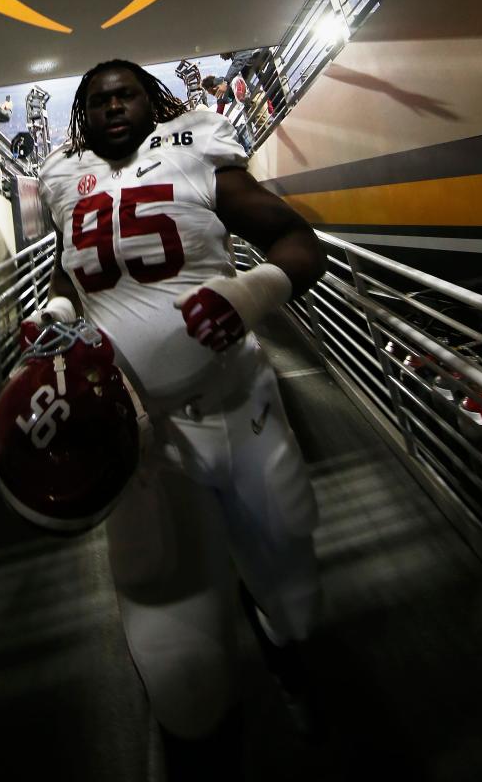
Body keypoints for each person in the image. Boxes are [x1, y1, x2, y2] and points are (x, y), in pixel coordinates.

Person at [37, 60, 326, 768]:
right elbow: (67, 271)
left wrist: (252, 292)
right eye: (98, 99)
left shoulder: (197, 148)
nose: (111, 106)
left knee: (293, 588)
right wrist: (55, 311)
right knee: (182, 683)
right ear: (84, 113)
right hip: (142, 436)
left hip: (239, 405)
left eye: (124, 93)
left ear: (152, 99)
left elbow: (299, 242)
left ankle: (290, 659)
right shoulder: (63, 179)